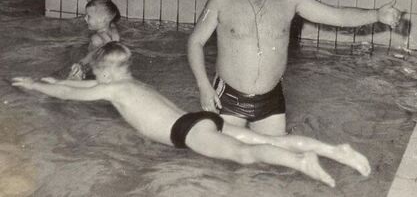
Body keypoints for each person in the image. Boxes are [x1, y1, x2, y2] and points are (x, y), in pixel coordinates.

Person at [12, 42, 371, 187]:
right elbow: (80, 88)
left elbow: (71, 93)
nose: (96, 78)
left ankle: (303, 162)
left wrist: (38, 86)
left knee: (245, 155)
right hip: (198, 121)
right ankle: (334, 151)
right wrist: (48, 80)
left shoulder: (111, 88)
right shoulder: (130, 83)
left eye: (97, 72)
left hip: (187, 133)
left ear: (104, 73)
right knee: (266, 140)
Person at [188, 0, 402, 136]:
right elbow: (195, 42)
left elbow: (337, 15)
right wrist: (204, 87)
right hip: (228, 99)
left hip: (270, 100)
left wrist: (376, 14)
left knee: (269, 167)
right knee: (222, 163)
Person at [67, 0, 121, 80]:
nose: (85, 18)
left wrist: (81, 63)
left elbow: (93, 54)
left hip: (96, 70)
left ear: (103, 19)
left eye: (89, 16)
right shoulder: (113, 29)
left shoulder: (96, 39)